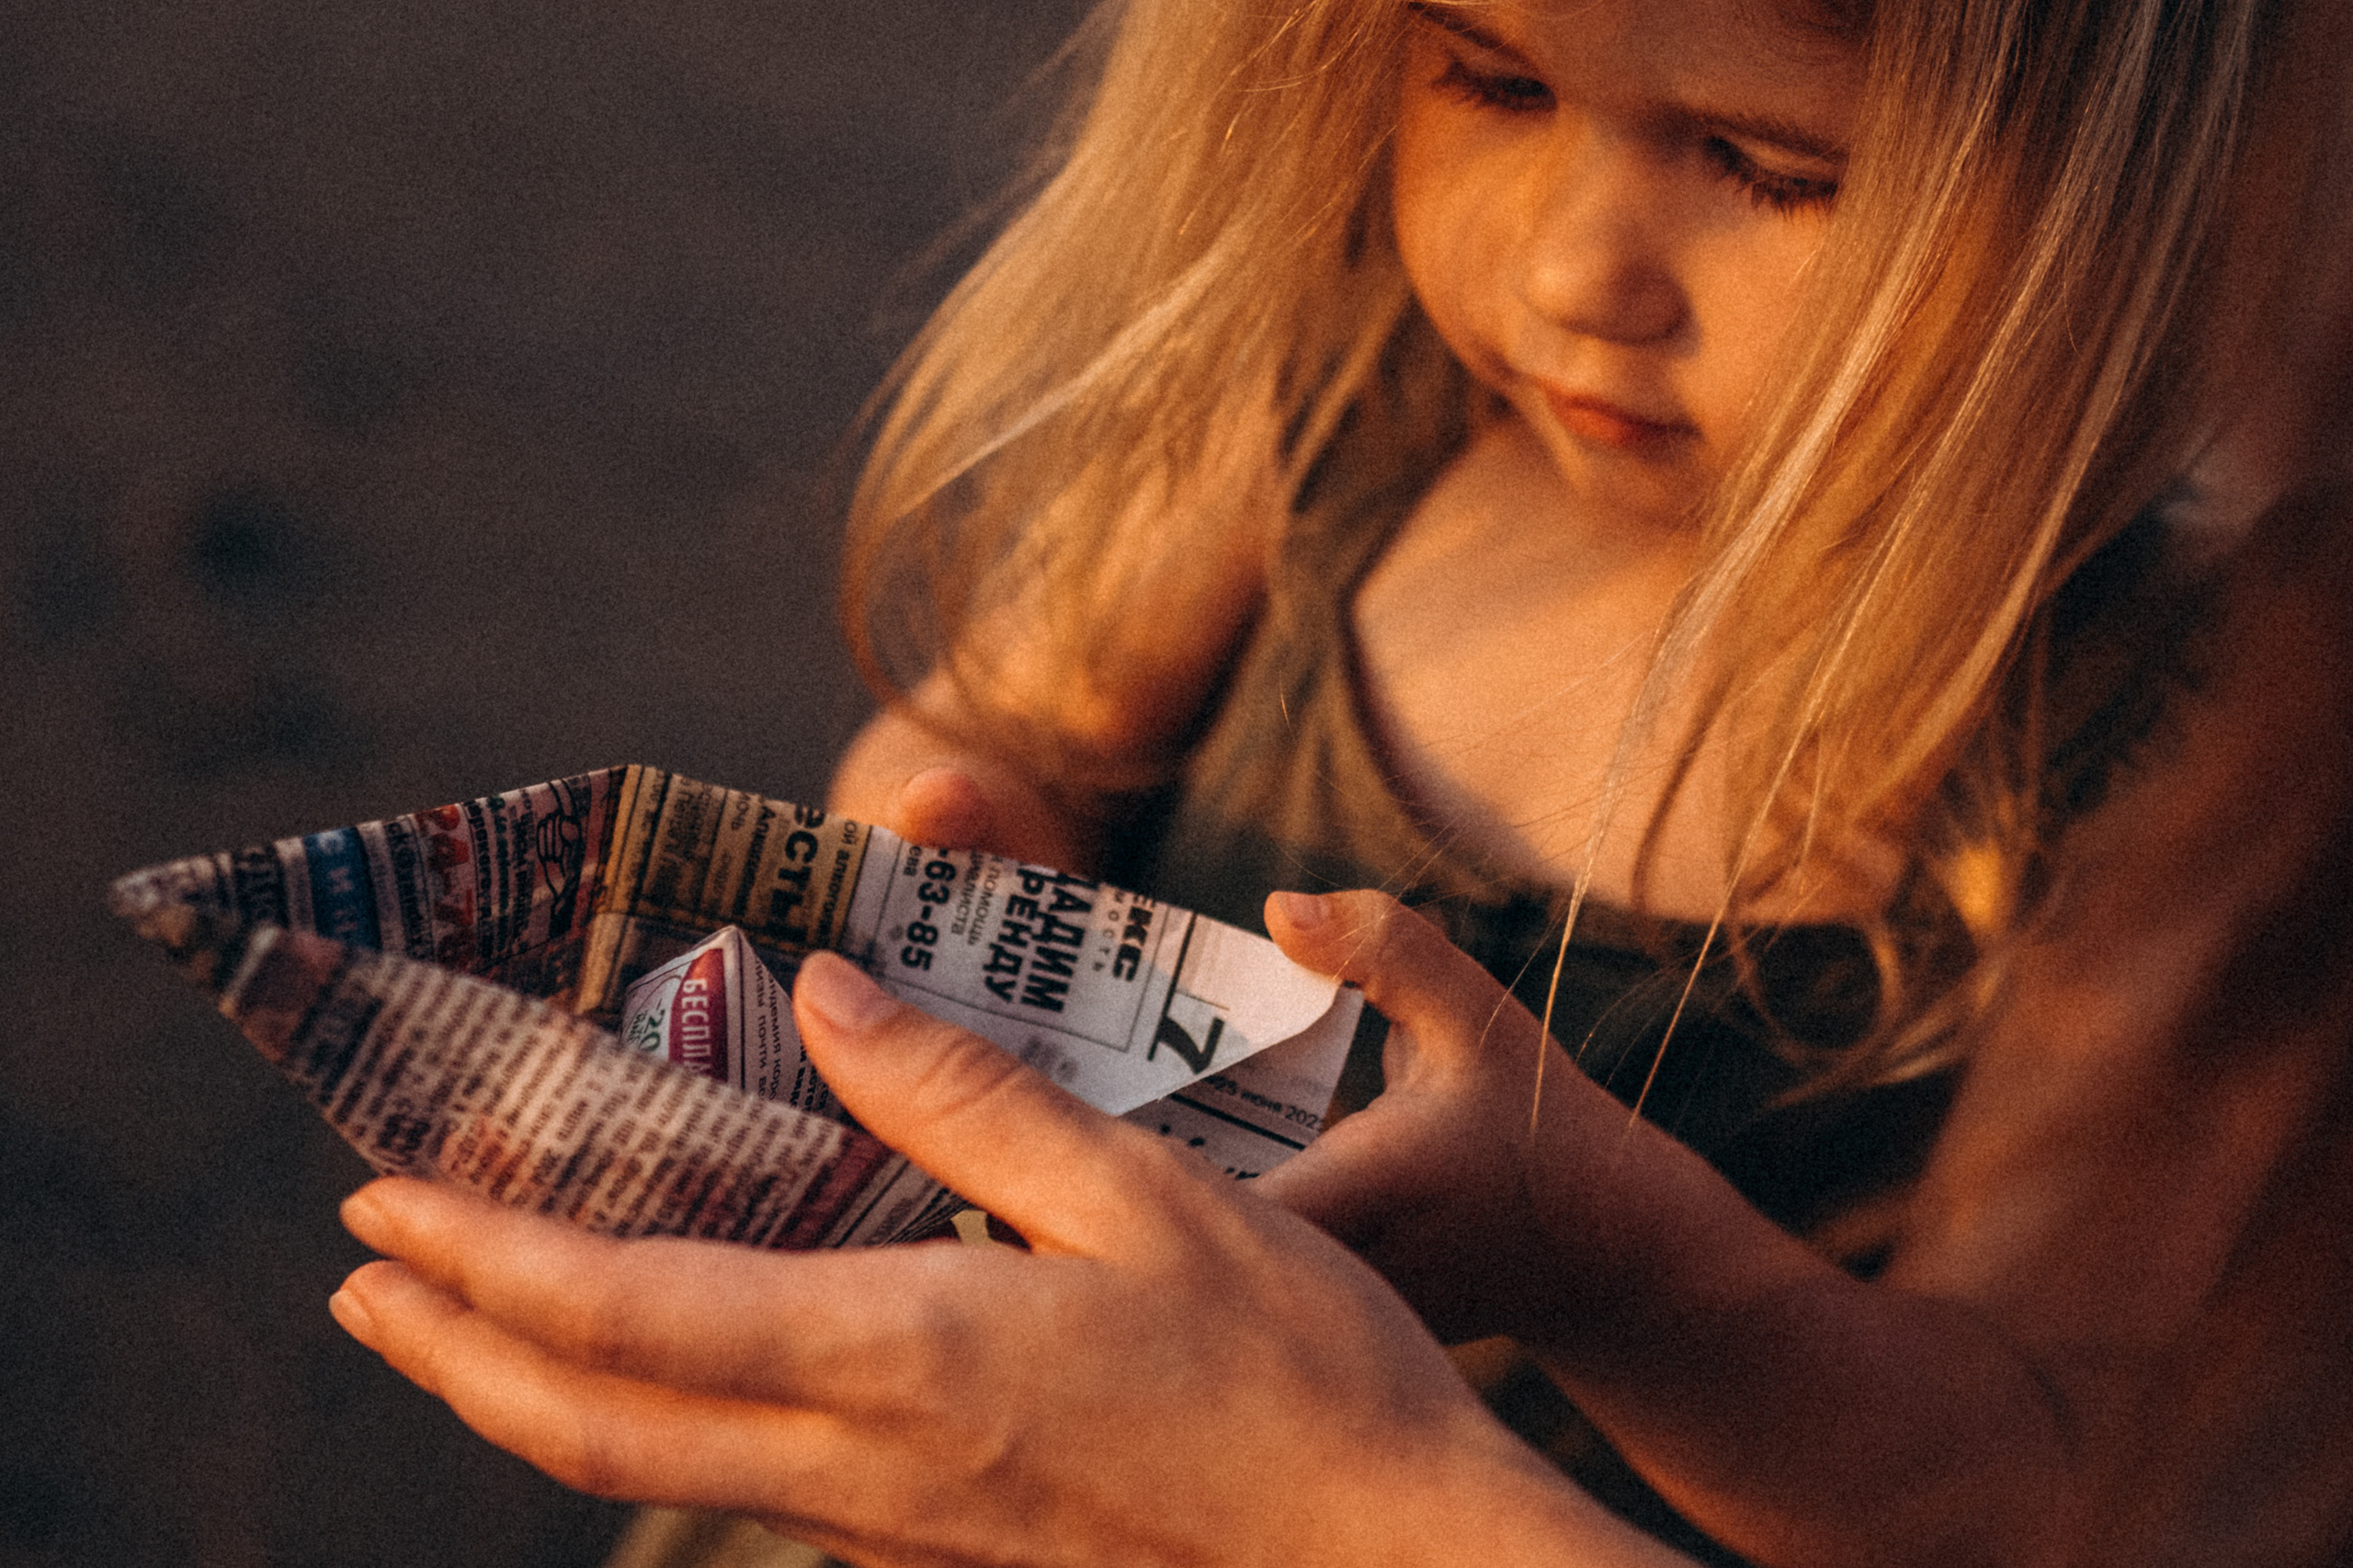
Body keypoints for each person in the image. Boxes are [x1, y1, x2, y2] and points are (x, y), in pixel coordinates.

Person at [320, 0, 2353, 1562]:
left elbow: (2024, 1480)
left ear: (2156, 187)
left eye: (1764, 163)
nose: (1576, 270)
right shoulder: (1337, 401)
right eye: (1487, 77)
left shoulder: (2174, 745)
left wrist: (1608, 1259)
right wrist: (954, 843)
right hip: (960, 1452)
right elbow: (997, 729)